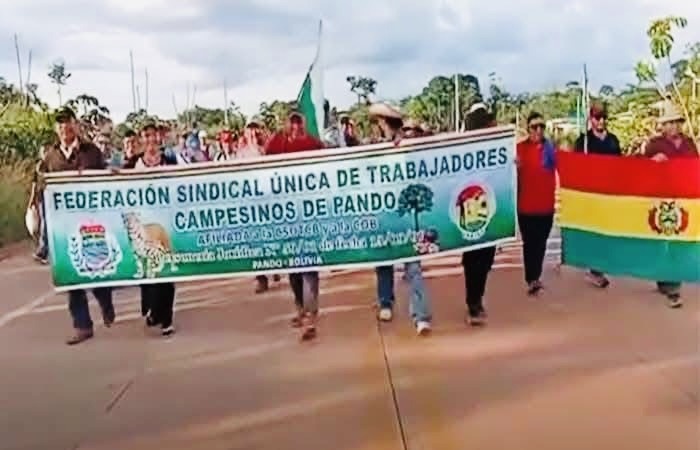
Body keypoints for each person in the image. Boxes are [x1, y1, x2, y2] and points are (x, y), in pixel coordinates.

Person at [39, 107, 115, 345]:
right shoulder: (51, 157)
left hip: (91, 222)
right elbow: (43, 188)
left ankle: (106, 301)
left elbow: (104, 180)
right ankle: (82, 325)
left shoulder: (91, 152)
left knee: (97, 269)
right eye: (60, 123)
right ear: (56, 129)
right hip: (64, 227)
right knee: (72, 274)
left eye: (68, 122)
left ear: (75, 124)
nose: (65, 127)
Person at [367, 102, 432, 336]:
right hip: (384, 214)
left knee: (413, 266)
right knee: (384, 261)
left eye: (379, 122)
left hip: (406, 215)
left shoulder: (410, 147)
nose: (377, 127)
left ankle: (420, 315)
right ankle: (386, 301)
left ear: (384, 123)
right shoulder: (375, 148)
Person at [265, 112, 325, 340]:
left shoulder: (312, 143)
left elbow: (328, 160)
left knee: (309, 267)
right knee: (293, 268)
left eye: (299, 121)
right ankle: (300, 308)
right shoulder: (279, 142)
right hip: (286, 216)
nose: (296, 126)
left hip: (308, 215)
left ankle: (310, 315)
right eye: (292, 122)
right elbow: (264, 161)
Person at [123, 122, 178, 336]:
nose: (150, 140)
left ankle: (167, 319)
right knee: (148, 270)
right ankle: (154, 311)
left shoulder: (170, 162)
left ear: (158, 138)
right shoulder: (132, 165)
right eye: (146, 136)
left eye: (153, 135)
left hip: (165, 223)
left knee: (166, 269)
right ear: (142, 139)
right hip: (142, 223)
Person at [643, 101, 699, 308]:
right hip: (662, 200)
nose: (674, 126)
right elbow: (637, 168)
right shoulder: (655, 145)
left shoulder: (689, 144)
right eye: (670, 123)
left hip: (685, 199)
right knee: (664, 240)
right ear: (663, 126)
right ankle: (669, 283)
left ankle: (672, 283)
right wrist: (653, 162)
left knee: (680, 241)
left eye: (676, 122)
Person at [574, 103, 622, 289]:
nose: (601, 121)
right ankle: (595, 270)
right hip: (592, 195)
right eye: (597, 117)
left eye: (603, 117)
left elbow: (620, 165)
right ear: (591, 119)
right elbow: (576, 167)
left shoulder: (613, 140)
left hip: (610, 193)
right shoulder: (583, 141)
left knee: (608, 230)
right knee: (595, 231)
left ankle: (601, 265)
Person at [461, 103, 498, 326]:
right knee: (473, 258)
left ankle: (477, 298)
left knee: (486, 259)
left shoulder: (497, 149)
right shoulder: (463, 149)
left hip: (489, 210)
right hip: (469, 210)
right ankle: (473, 303)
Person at [516, 112, 556, 295]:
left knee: (541, 244)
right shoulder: (519, 149)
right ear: (528, 129)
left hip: (546, 206)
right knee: (529, 243)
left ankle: (536, 276)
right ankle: (531, 278)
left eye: (542, 126)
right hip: (526, 207)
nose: (539, 130)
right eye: (534, 127)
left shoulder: (551, 150)